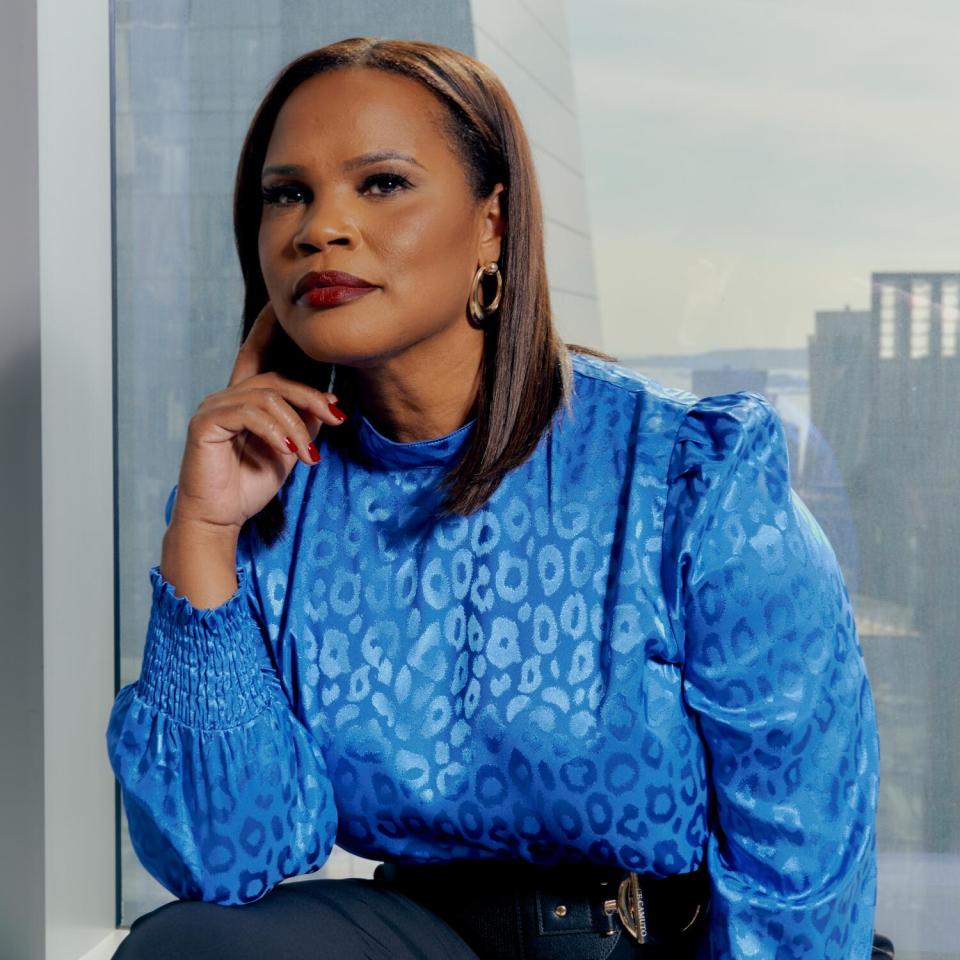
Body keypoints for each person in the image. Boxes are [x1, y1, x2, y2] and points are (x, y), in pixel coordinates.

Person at [106, 37, 881, 959]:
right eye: (288, 193)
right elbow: (225, 861)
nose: (321, 226)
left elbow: (802, 857)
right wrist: (203, 533)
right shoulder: (279, 489)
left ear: (493, 223)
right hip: (419, 935)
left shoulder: (690, 477)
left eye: (381, 183)